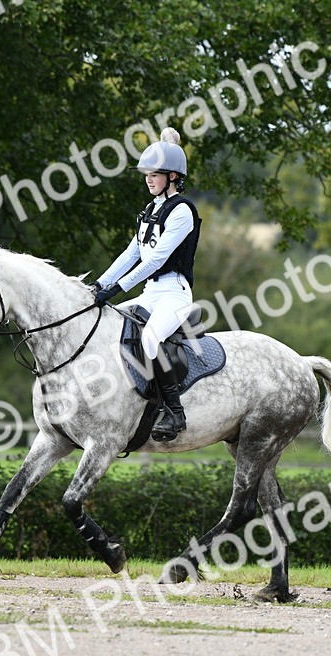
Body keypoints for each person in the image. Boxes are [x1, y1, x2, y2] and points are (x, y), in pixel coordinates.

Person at [92, 127, 201, 442]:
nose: (148, 179)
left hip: (174, 293)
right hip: (150, 292)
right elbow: (131, 254)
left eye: (155, 174)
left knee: (151, 339)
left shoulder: (182, 211)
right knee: (106, 325)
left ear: (173, 177)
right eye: (147, 174)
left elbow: (155, 260)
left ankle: (174, 413)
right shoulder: (149, 211)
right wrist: (100, 284)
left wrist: (117, 289)